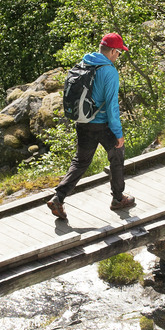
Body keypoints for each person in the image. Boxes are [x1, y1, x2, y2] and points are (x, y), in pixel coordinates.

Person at [48, 33, 135, 219]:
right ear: (112, 51)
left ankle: (58, 198)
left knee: (81, 162)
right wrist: (118, 133)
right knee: (117, 156)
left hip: (83, 122)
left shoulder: (85, 63)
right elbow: (112, 105)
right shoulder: (109, 71)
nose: (119, 56)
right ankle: (118, 199)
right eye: (119, 52)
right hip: (102, 125)